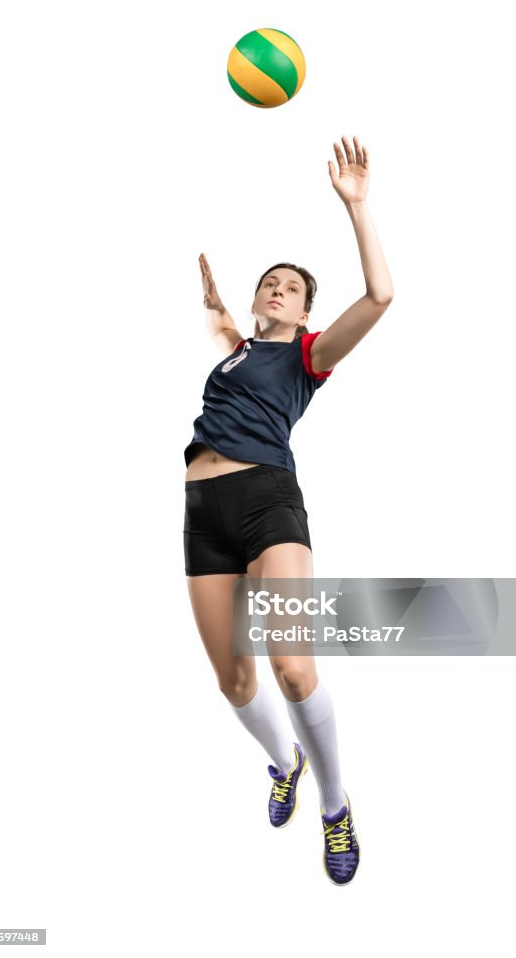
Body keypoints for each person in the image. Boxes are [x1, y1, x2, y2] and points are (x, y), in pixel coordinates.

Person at [183, 134, 393, 885]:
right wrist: (214, 305)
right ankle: (286, 763)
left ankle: (334, 807)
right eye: (267, 282)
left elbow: (378, 299)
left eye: (290, 287)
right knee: (234, 684)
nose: (276, 287)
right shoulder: (236, 350)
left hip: (268, 498)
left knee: (292, 669)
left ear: (305, 315)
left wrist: (357, 207)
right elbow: (222, 330)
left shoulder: (306, 357)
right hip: (201, 508)